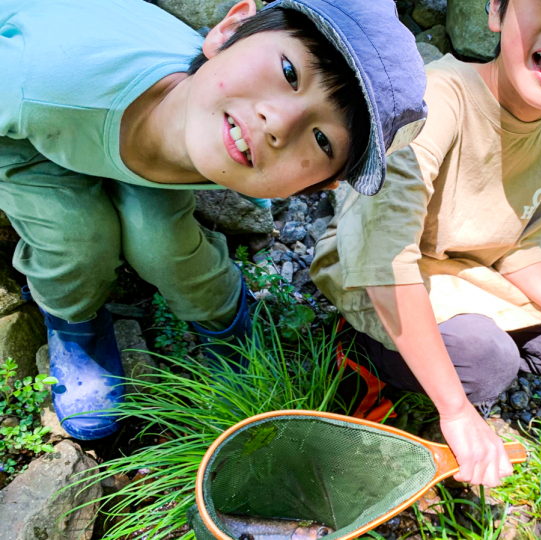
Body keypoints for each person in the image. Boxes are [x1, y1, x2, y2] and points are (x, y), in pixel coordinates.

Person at [0, 0, 427, 440]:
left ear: (318, 186)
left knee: (163, 243)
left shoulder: (220, 113)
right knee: (77, 239)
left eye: (322, 140)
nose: (278, 122)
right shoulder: (37, 78)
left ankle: (224, 319)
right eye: (289, 72)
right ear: (230, 29)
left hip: (138, 131)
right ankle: (74, 322)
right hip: (33, 126)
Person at [311, 0, 541, 487]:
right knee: (487, 362)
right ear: (496, 10)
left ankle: (451, 354)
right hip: (376, 272)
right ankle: (363, 355)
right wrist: (456, 411)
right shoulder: (436, 99)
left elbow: (522, 251)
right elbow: (383, 263)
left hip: (465, 276)